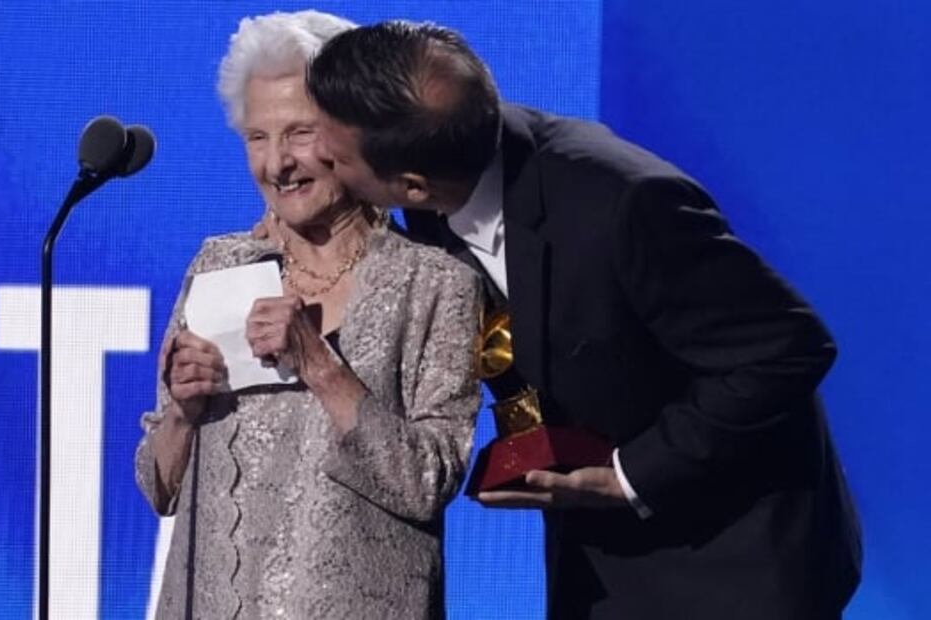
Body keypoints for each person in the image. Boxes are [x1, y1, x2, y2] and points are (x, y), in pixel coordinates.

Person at [299, 20, 863, 620]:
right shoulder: (439, 174)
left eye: (333, 158)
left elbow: (786, 347)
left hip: (732, 556)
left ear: (413, 187)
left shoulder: (626, 205)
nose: (317, 161)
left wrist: (629, 477)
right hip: (597, 551)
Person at [134, 12, 481, 619]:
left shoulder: (434, 284)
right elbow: (158, 486)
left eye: (298, 133)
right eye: (256, 137)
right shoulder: (219, 264)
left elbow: (429, 482)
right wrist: (183, 417)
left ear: (351, 136)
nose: (277, 164)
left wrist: (320, 367)